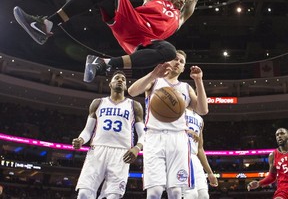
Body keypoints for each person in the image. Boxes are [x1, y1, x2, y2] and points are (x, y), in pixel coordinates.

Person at [13, 0, 201, 82]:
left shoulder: (181, 17)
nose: (183, 0)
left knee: (169, 51)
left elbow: (192, 4)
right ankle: (46, 25)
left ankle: (104, 64)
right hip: (130, 19)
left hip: (144, 41)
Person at [128, 50, 208, 199]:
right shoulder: (155, 81)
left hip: (178, 139)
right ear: (167, 61)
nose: (178, 62)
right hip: (154, 136)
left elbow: (203, 110)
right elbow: (132, 91)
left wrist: (198, 80)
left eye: (181, 62)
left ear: (183, 68)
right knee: (154, 192)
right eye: (175, 59)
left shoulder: (186, 87)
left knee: (176, 193)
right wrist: (153, 74)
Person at [72, 70, 145, 199]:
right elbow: (88, 131)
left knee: (113, 196)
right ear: (110, 84)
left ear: (126, 86)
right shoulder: (98, 103)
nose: (120, 80)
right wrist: (81, 139)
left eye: (123, 79)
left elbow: (143, 135)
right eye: (117, 78)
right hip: (97, 150)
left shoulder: (134, 105)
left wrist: (137, 148)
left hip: (121, 153)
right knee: (84, 194)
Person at [183, 108, 218, 199]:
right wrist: (185, 130)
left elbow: (200, 148)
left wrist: (210, 173)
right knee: (190, 195)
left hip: (194, 158)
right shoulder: (178, 109)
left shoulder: (200, 119)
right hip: (181, 155)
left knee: (204, 195)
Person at [247, 128, 288, 199]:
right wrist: (259, 183)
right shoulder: (273, 155)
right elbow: (272, 176)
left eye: (282, 133)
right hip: (283, 189)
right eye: (277, 135)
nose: (279, 136)